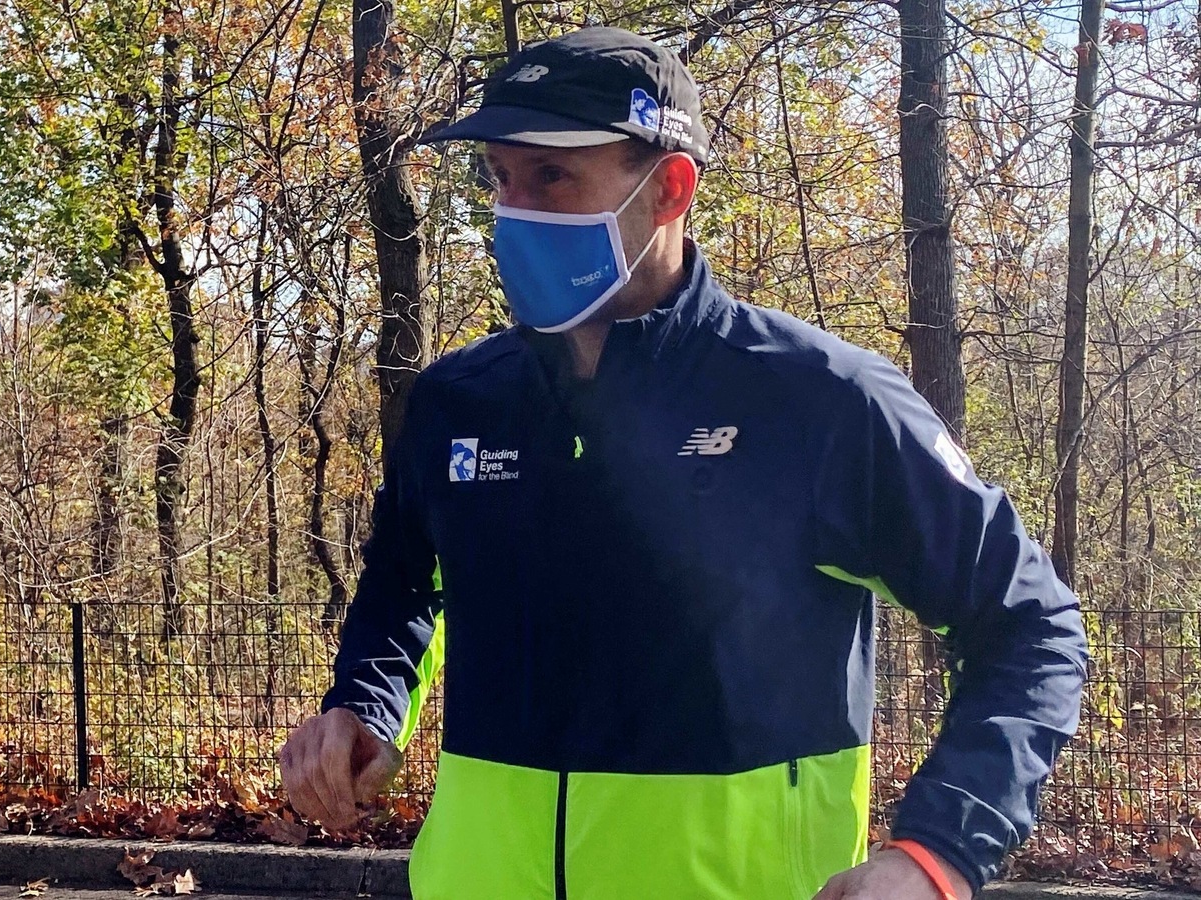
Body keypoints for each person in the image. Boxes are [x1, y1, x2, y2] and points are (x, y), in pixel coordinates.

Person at [279, 26, 1088, 900]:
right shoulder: (455, 403)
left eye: (553, 177)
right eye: (500, 178)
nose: (513, 213)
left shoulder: (819, 401)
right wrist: (366, 705)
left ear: (668, 189)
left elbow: (1029, 627)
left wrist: (937, 853)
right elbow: (406, 585)